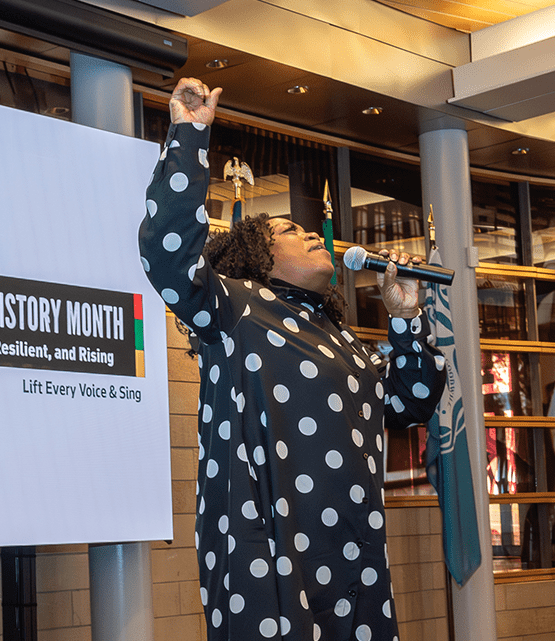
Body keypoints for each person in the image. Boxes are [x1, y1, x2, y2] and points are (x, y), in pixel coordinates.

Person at [139, 77, 445, 641]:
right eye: (290, 229)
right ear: (256, 256)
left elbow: (412, 401)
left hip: (351, 562)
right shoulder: (235, 309)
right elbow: (167, 252)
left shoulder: (340, 337)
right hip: (271, 558)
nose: (312, 234)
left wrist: (405, 323)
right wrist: (189, 137)